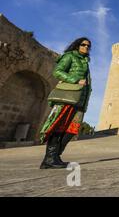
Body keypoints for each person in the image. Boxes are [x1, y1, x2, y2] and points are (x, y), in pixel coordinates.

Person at [39, 38, 92, 169]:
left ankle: (55, 156)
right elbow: (57, 71)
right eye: (83, 44)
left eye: (88, 46)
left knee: (71, 130)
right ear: (77, 45)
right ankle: (50, 158)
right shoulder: (70, 56)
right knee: (59, 127)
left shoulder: (85, 61)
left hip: (79, 99)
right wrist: (75, 79)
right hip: (68, 97)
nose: (86, 47)